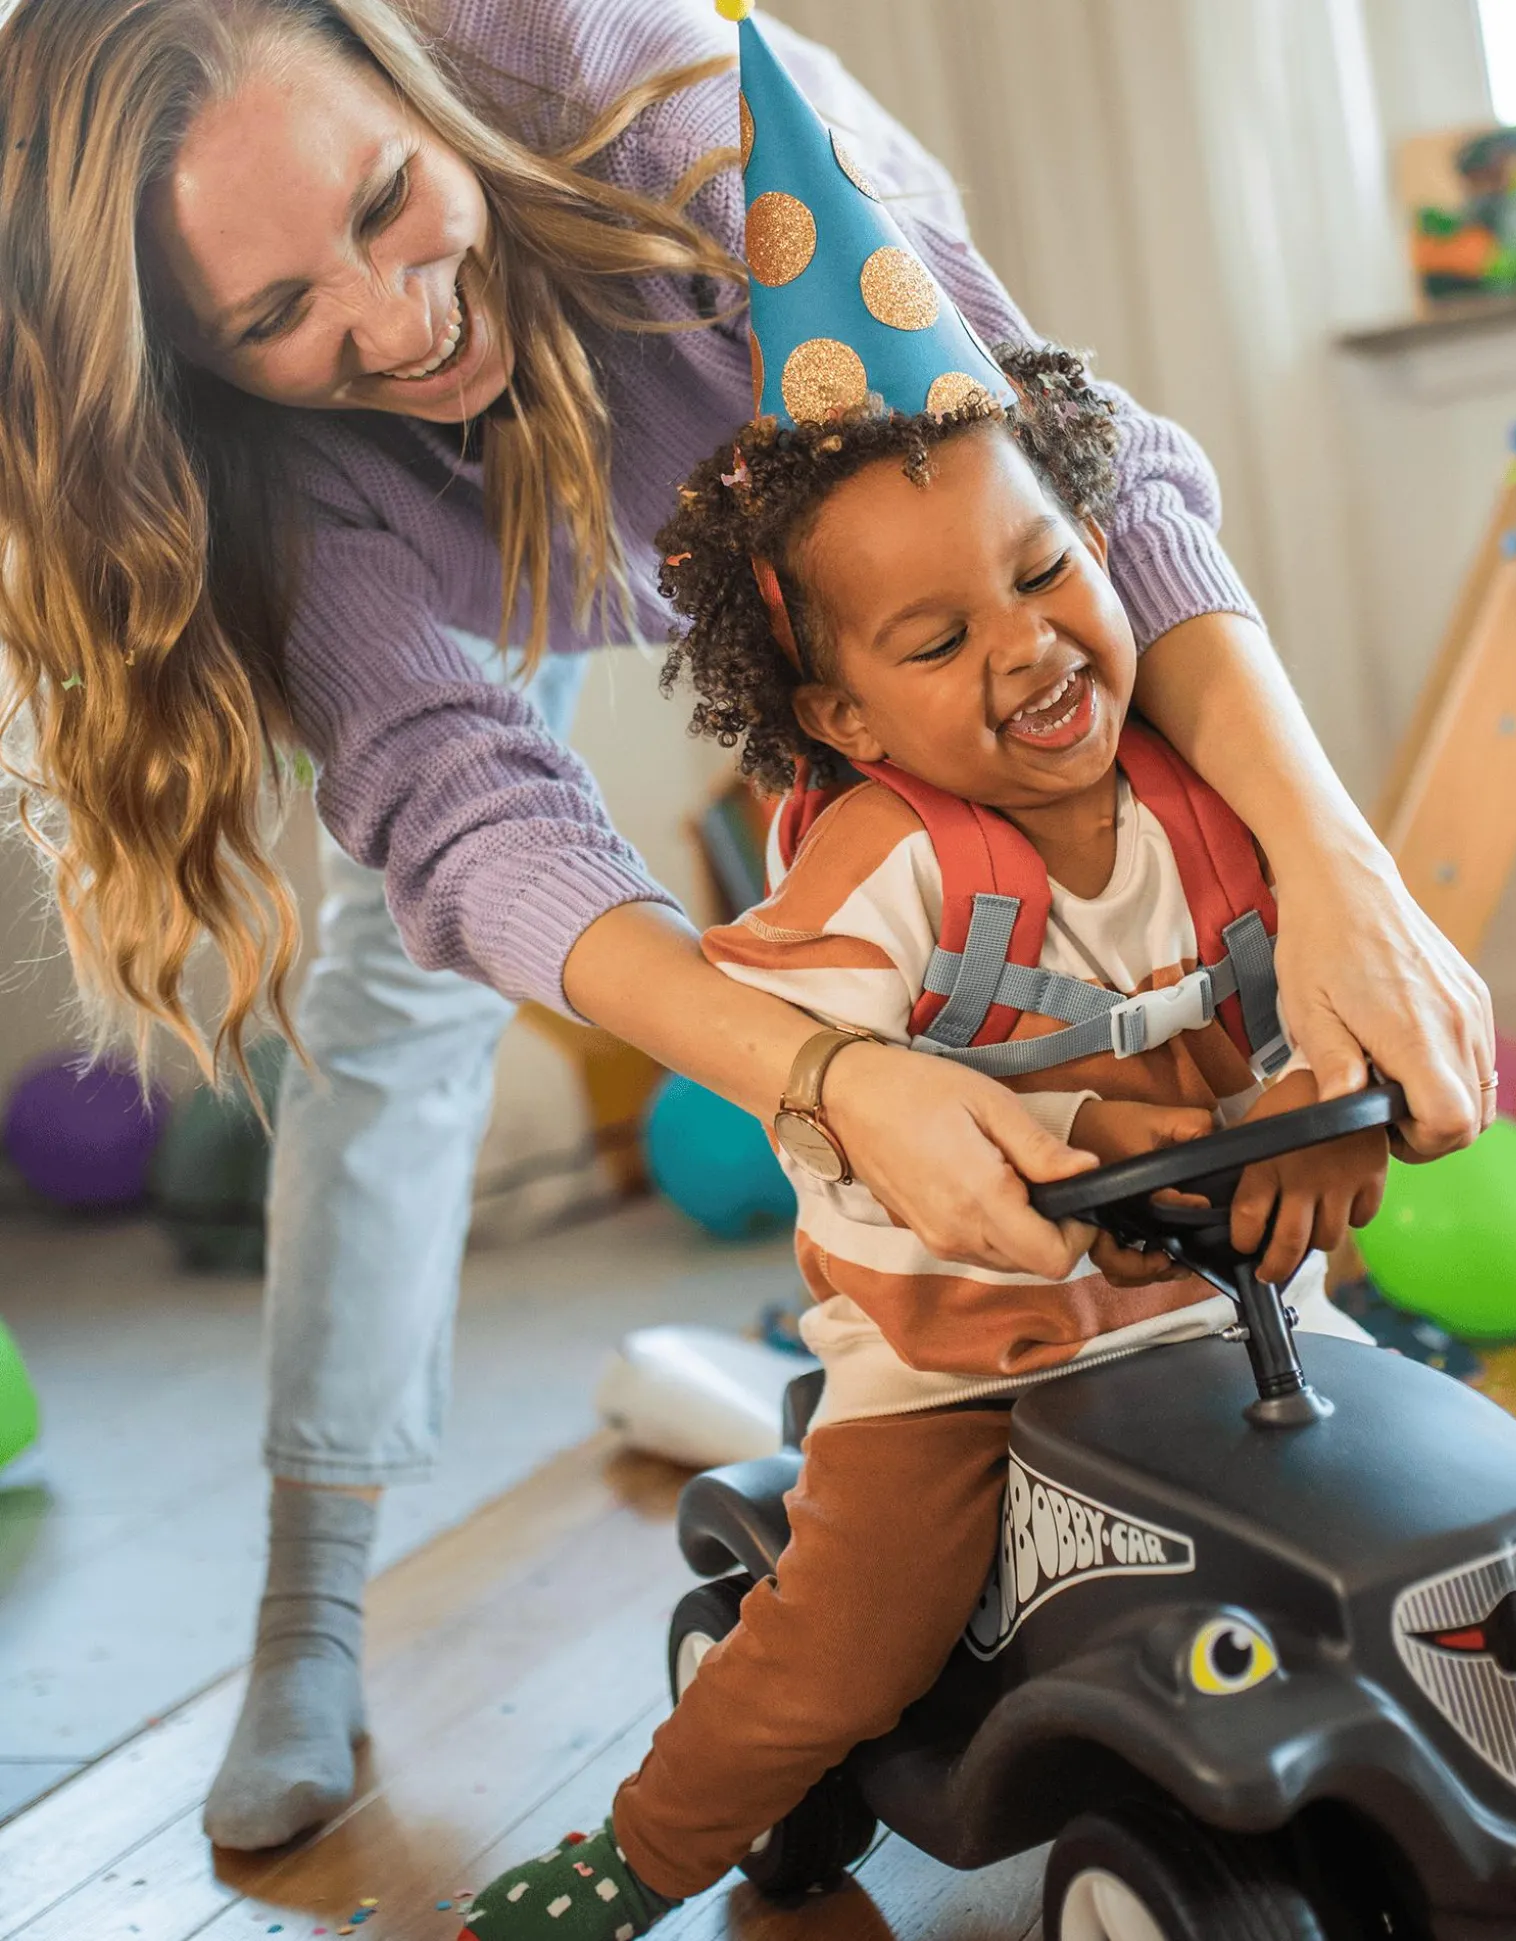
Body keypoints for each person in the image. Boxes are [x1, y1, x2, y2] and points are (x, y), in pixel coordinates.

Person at [0, 0, 1492, 1857]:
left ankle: (1201, 1311)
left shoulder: (635, 95)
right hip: (539, 558)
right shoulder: (265, 449)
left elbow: (1084, 513)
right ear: (190, 360)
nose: (391, 321)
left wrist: (1342, 867)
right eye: (276, 315)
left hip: (861, 456)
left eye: (390, 205)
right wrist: (829, 1076)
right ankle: (309, 1597)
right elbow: (456, 797)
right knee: (389, 998)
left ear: (417, 77)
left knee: (1047, 834)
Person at [451, 22, 1394, 1934]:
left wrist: (1311, 1120)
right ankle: (628, 1853)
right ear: (833, 705)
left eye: (1050, 575)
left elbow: (1306, 1026)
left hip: (1225, 1310)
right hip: (971, 1353)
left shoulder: (1197, 796)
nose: (1035, 653)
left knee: (1398, 1488)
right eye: (939, 635)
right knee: (849, 1646)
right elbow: (805, 1083)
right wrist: (1048, 1144)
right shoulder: (873, 874)